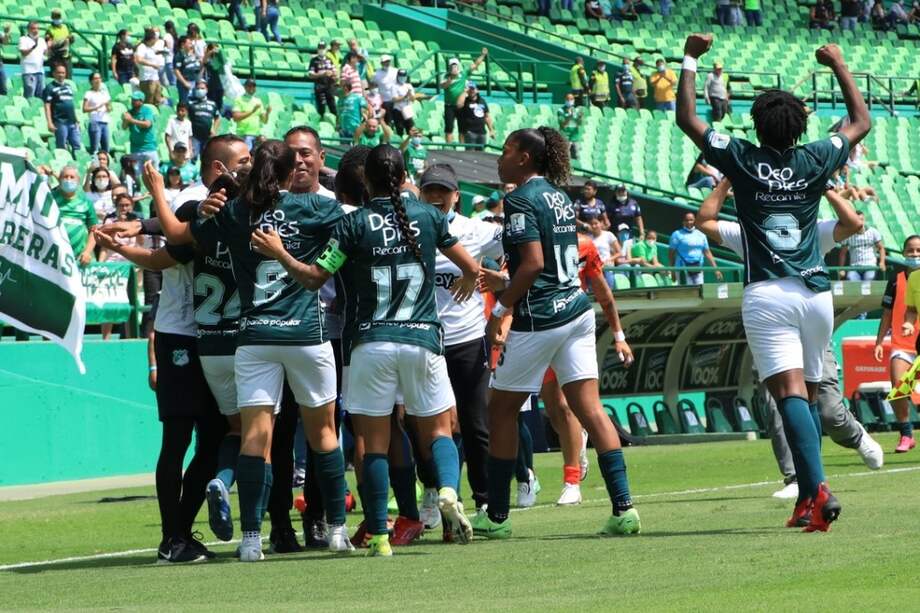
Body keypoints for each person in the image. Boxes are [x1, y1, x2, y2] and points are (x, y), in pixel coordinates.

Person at [677, 33, 871, 531]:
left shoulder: (741, 157)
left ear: (757, 125)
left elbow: (689, 120)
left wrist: (691, 60)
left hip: (769, 293)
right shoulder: (814, 158)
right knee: (805, 394)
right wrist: (838, 64)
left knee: (788, 396)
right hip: (815, 292)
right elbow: (861, 122)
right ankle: (807, 499)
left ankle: (820, 488)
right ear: (800, 126)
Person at [248, 145, 481, 556]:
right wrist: (470, 277)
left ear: (366, 181)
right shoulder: (428, 215)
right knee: (440, 430)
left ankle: (378, 535)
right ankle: (446, 489)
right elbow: (469, 264)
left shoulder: (353, 224)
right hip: (422, 339)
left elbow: (313, 277)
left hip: (369, 344)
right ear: (405, 175)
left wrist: (280, 252)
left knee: (374, 443)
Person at [148, 140, 354, 561]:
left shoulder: (234, 212)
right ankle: (336, 529)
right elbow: (351, 231)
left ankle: (250, 540)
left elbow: (177, 236)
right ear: (284, 173)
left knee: (253, 440)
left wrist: (169, 204)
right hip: (305, 335)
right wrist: (325, 263)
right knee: (324, 435)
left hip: (254, 338)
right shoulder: (310, 207)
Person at [472, 127, 641, 539]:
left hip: (540, 316)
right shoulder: (559, 195)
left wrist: (505, 305)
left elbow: (531, 264)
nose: (500, 157)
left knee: (500, 410)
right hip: (576, 309)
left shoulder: (519, 199)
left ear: (525, 158)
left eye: (507, 150)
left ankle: (495, 517)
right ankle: (624, 509)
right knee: (590, 409)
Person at [698, 182, 883, 497]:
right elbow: (705, 220)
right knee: (779, 402)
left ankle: (856, 436)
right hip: (773, 328)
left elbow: (854, 224)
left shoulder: (811, 230)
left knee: (830, 411)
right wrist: (728, 180)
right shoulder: (749, 234)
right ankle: (796, 478)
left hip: (809, 326)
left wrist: (826, 189)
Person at [419, 164, 501, 514]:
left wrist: (493, 277)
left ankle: (484, 501)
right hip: (423, 340)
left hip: (466, 339)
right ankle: (434, 492)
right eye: (430, 189)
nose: (436, 196)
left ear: (457, 195)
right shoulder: (410, 226)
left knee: (475, 424)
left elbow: (519, 255)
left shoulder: (478, 231)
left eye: (444, 190)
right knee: (424, 424)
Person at [875, 235, 920, 453]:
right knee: (899, 388)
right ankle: (906, 434)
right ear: (903, 253)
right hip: (902, 345)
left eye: (918, 251)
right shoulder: (897, 280)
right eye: (910, 251)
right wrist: (879, 342)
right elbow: (887, 314)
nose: (914, 255)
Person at [440, 49, 488, 143]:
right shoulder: (445, 76)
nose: (454, 68)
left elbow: (475, 65)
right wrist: (448, 82)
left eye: (455, 66)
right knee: (449, 128)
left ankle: (461, 148)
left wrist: (483, 55)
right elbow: (442, 86)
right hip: (449, 105)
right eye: (452, 66)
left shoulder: (463, 74)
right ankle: (449, 147)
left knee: (462, 128)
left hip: (461, 105)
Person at [53, 166, 96, 267]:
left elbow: (94, 230)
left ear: (78, 180)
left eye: (72, 177)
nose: (68, 180)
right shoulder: (50, 198)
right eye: (65, 177)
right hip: (54, 257)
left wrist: (87, 252)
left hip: (78, 258)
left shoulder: (86, 202)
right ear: (59, 179)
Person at [668, 212, 720, 285]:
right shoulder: (676, 234)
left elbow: (707, 253)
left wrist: (716, 269)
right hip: (682, 269)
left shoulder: (701, 234)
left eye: (691, 220)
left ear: (695, 220)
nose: (689, 222)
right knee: (686, 293)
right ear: (683, 222)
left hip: (698, 268)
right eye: (686, 220)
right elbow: (671, 255)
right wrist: (672, 271)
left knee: (700, 292)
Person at [44, 65, 80, 156]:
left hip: (72, 121)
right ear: (54, 74)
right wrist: (49, 122)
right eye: (59, 72)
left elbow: (71, 104)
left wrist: (76, 119)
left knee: (77, 144)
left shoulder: (68, 86)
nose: (61, 75)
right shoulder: (50, 87)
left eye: (63, 73)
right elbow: (47, 105)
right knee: (61, 146)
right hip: (60, 121)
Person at [838, 212, 885, 281]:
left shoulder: (873, 232)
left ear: (864, 220)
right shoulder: (848, 234)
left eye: (861, 219)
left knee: (869, 279)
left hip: (870, 266)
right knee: (850, 278)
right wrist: (841, 269)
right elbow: (843, 253)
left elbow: (881, 248)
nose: (860, 222)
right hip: (854, 267)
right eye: (857, 220)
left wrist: (882, 262)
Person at [123, 91, 159, 178]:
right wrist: (125, 119)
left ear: (141, 101)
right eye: (132, 99)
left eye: (135, 100)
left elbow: (147, 124)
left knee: (153, 176)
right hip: (135, 149)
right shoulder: (130, 112)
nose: (133, 101)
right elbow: (124, 127)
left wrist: (131, 120)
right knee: (137, 176)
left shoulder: (147, 111)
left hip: (149, 148)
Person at [233, 79, 271, 150]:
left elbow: (264, 121)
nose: (251, 88)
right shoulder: (239, 100)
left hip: (256, 134)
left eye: (253, 86)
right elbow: (236, 117)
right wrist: (252, 111)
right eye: (249, 86)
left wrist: (267, 113)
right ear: (245, 87)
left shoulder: (258, 101)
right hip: (243, 133)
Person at [188, 80, 221, 159]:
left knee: (207, 158)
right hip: (195, 136)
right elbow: (187, 119)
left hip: (208, 137)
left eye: (202, 88)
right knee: (193, 157)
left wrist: (214, 130)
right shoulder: (191, 104)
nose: (200, 90)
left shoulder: (212, 104)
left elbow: (218, 118)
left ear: (206, 89)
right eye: (198, 88)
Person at [456, 82, 494, 148]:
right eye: (469, 89)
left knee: (481, 154)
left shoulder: (482, 101)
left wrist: (491, 130)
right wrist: (464, 92)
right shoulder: (465, 101)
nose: (471, 91)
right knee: (470, 153)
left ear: (477, 90)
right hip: (470, 132)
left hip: (482, 132)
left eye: (473, 89)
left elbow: (487, 116)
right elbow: (459, 105)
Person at [588, 216, 622, 286]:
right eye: (591, 224)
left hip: (607, 267)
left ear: (601, 223)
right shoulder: (588, 237)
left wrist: (610, 259)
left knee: (609, 288)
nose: (594, 226)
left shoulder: (608, 235)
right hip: (593, 269)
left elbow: (619, 252)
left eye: (596, 223)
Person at [83, 72, 111, 155]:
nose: (98, 80)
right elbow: (84, 109)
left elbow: (110, 108)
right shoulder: (89, 93)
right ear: (91, 81)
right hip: (95, 122)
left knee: (106, 148)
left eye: (99, 78)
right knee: (95, 148)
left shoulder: (104, 93)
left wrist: (108, 107)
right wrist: (96, 108)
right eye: (95, 78)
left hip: (105, 122)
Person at [135, 28, 165, 106]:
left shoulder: (152, 48)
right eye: (155, 39)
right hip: (146, 79)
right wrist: (152, 65)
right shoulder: (142, 47)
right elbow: (139, 59)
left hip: (155, 77)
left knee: (158, 99)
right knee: (149, 101)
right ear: (151, 39)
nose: (156, 41)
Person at [392, 69, 426, 137]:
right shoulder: (394, 86)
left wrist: (410, 94)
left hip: (407, 110)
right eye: (400, 76)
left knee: (411, 128)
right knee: (399, 129)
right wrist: (404, 97)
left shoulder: (409, 86)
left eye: (403, 76)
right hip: (398, 110)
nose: (402, 77)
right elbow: (394, 99)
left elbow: (413, 99)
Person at [309, 41, 337, 118]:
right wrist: (323, 74)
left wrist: (333, 75)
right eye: (320, 48)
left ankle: (335, 122)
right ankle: (321, 121)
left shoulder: (329, 59)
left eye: (323, 48)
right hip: (319, 86)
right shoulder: (314, 60)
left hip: (329, 85)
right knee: (321, 106)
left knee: (332, 105)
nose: (321, 50)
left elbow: (335, 72)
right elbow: (311, 75)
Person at [19, 21, 47, 99]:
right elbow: (23, 53)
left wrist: (50, 45)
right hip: (29, 72)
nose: (36, 30)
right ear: (28, 29)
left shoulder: (41, 40)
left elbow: (45, 53)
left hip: (40, 71)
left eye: (37, 28)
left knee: (41, 94)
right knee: (29, 94)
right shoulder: (23, 39)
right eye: (33, 28)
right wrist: (33, 47)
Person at [174, 36, 202, 105]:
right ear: (183, 44)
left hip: (194, 81)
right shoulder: (179, 55)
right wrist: (184, 83)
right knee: (185, 102)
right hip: (185, 82)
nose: (191, 45)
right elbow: (176, 71)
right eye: (189, 43)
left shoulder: (192, 54)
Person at [45, 9, 73, 78]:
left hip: (65, 57)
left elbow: (70, 40)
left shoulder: (65, 27)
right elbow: (49, 43)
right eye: (55, 17)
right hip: (55, 57)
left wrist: (71, 39)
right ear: (52, 18)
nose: (57, 19)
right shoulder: (49, 29)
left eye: (58, 17)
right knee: (57, 76)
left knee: (68, 77)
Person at [372, 54, 398, 125]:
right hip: (384, 102)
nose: (386, 63)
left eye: (388, 61)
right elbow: (373, 85)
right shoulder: (376, 74)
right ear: (381, 63)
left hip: (395, 100)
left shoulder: (396, 71)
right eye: (385, 62)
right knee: (388, 121)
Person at [557, 93, 583, 160]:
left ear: (574, 100)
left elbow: (579, 124)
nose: (569, 101)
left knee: (577, 156)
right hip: (565, 136)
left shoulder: (576, 110)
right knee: (566, 157)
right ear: (565, 100)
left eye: (571, 99)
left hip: (575, 137)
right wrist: (569, 117)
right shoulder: (561, 110)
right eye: (568, 99)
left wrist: (580, 118)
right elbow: (563, 125)